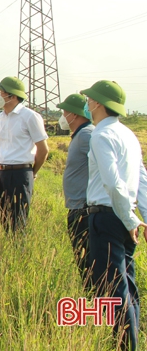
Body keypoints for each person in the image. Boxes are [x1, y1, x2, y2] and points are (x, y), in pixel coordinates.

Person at [80, 80, 147, 350]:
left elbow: (113, 182)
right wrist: (137, 216)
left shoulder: (100, 135)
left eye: (88, 99)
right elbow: (141, 179)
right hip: (123, 214)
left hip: (107, 217)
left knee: (112, 289)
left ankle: (123, 345)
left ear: (97, 103)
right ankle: (133, 338)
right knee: (127, 285)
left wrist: (130, 219)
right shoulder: (128, 135)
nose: (86, 103)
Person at [0, 76, 49, 232]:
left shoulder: (30, 117)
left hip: (20, 173)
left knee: (18, 222)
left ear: (12, 96)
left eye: (0, 92)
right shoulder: (0, 118)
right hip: (1, 173)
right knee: (3, 220)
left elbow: (43, 150)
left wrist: (32, 172)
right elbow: (2, 149)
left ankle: (18, 252)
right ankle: (7, 253)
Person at [57, 94, 94, 286]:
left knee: (88, 263)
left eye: (64, 112)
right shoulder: (80, 135)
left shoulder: (87, 135)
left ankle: (95, 304)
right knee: (83, 262)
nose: (62, 116)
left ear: (73, 114)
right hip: (78, 206)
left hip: (84, 209)